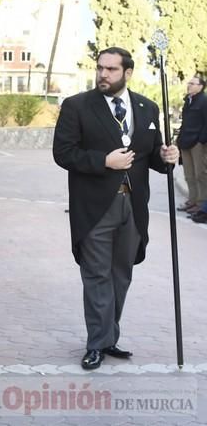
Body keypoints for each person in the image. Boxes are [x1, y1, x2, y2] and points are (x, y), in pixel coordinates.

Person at [53, 46, 179, 370]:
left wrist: (167, 159)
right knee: (96, 276)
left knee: (121, 276)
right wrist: (103, 161)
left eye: (110, 69)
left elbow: (153, 157)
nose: (103, 75)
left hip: (133, 208)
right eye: (100, 68)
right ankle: (96, 344)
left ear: (127, 73)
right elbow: (63, 153)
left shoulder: (147, 108)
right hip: (94, 207)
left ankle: (109, 336)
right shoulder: (77, 106)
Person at [176, 76, 207, 215]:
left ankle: (201, 203)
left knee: (200, 174)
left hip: (198, 143)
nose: (189, 85)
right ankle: (192, 200)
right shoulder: (188, 100)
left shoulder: (204, 100)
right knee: (189, 174)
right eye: (189, 83)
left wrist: (201, 140)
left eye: (192, 83)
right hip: (185, 141)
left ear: (201, 86)